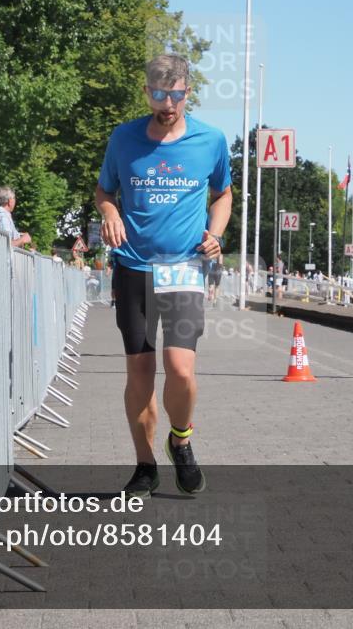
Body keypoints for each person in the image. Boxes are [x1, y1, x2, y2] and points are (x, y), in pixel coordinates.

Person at [95, 54, 232, 499]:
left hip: (185, 266)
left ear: (187, 92)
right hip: (133, 266)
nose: (167, 103)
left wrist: (215, 234)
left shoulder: (210, 140)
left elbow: (223, 194)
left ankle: (181, 439)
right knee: (140, 372)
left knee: (180, 367)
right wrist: (110, 211)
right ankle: (145, 466)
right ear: (146, 92)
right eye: (158, 94)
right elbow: (104, 190)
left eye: (175, 94)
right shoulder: (124, 138)